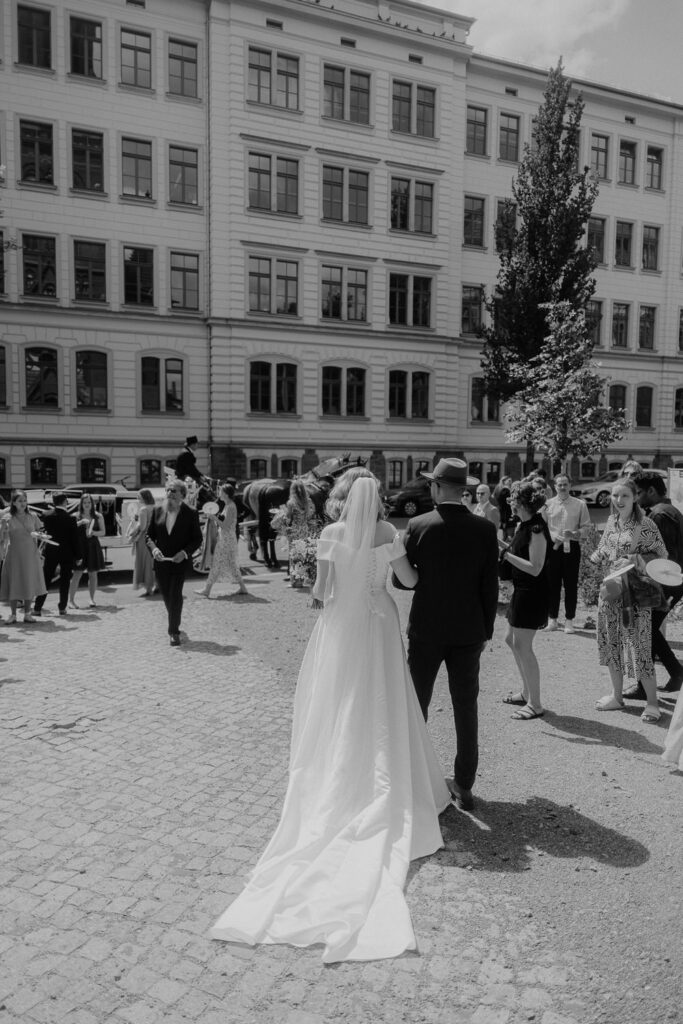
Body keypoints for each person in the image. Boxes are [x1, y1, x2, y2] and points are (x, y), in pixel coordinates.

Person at [210, 476, 450, 962]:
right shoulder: (387, 531)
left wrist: (328, 588)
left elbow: (321, 590)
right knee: (384, 694)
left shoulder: (330, 534)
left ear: (345, 498)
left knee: (341, 695)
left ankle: (341, 763)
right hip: (379, 618)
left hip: (341, 622)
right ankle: (387, 769)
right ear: (376, 500)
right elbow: (409, 582)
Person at [398, 458, 499, 810]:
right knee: (465, 707)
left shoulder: (419, 525)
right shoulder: (485, 529)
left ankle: (414, 776)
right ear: (464, 489)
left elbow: (401, 580)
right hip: (469, 630)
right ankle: (464, 784)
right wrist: (486, 630)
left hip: (426, 627)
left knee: (417, 704)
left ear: (438, 488)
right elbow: (490, 587)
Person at [589, 477, 666, 723]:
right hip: (611, 592)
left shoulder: (646, 524)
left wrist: (634, 559)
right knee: (611, 644)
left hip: (635, 597)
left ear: (634, 498)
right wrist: (596, 555)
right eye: (615, 495)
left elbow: (662, 556)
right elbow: (605, 547)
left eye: (625, 495)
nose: (619, 500)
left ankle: (652, 703)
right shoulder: (612, 521)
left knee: (640, 647)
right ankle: (617, 696)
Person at [626, 471, 683, 697]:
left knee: (645, 630)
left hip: (665, 582)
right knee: (648, 630)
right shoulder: (666, 511)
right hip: (669, 582)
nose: (636, 498)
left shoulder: (660, 515)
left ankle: (645, 686)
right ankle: (676, 674)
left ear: (651, 490)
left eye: (639, 492)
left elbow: (664, 558)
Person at [499, 481, 551, 720]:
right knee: (510, 640)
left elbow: (535, 568)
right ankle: (526, 692)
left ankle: (536, 703)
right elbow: (516, 552)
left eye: (513, 499)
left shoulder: (537, 528)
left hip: (532, 592)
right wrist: (499, 545)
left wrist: (505, 555)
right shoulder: (524, 525)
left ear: (522, 503)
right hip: (521, 591)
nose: (510, 502)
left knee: (523, 646)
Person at [146, 480, 202, 646]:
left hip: (180, 563)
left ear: (182, 495)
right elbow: (149, 536)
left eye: (174, 491)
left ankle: (173, 631)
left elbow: (197, 539)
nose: (170, 493)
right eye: (168, 490)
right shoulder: (157, 510)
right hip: (161, 562)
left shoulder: (191, 513)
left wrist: (184, 553)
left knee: (175, 595)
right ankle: (174, 618)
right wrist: (154, 550)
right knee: (166, 595)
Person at [544, 474, 591, 634]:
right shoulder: (547, 504)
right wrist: (550, 538)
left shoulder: (580, 504)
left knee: (570, 585)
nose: (562, 487)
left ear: (570, 485)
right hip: (553, 548)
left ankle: (569, 620)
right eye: (559, 485)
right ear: (555, 486)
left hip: (572, 548)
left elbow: (586, 527)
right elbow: (543, 527)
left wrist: (576, 533)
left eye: (565, 484)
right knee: (552, 584)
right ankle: (552, 619)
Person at [0, 490, 47, 623]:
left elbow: (41, 533)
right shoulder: (7, 517)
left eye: (25, 500)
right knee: (14, 582)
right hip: (14, 554)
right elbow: (0, 538)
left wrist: (41, 540)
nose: (23, 503)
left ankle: (27, 613)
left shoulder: (33, 516)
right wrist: (2, 525)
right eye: (20, 501)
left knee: (28, 582)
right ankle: (13, 614)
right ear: (13, 503)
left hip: (30, 554)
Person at [195, 484, 248, 598]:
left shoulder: (230, 507)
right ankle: (243, 588)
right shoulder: (228, 505)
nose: (219, 493)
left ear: (226, 494)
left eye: (221, 491)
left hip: (226, 539)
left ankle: (207, 589)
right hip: (226, 538)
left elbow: (225, 526)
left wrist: (214, 518)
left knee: (217, 563)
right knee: (232, 564)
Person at [34, 493, 82, 617]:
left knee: (46, 579)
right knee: (65, 581)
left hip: (51, 550)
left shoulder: (46, 515)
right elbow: (75, 539)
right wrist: (78, 556)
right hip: (67, 552)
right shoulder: (71, 518)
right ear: (65, 502)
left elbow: (44, 532)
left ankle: (38, 607)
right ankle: (62, 607)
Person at [270, 478, 320, 587]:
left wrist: (280, 514)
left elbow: (288, 518)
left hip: (295, 531)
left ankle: (296, 582)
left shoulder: (291, 503)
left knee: (295, 557)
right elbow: (311, 515)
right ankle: (304, 579)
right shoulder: (309, 502)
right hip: (305, 530)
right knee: (303, 555)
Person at [68, 493, 106, 608]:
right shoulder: (75, 516)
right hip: (80, 547)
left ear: (92, 503)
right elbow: (70, 530)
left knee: (93, 574)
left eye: (89, 502)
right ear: (81, 504)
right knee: (77, 574)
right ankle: (71, 601)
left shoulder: (98, 516)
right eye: (84, 502)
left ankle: (92, 599)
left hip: (93, 546)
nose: (87, 504)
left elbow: (103, 532)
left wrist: (93, 533)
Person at [129, 489, 157, 597]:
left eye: (139, 496)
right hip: (155, 538)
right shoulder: (156, 507)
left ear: (144, 497)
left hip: (144, 538)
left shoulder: (143, 509)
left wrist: (133, 530)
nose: (137, 498)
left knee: (144, 563)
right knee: (153, 562)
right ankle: (157, 585)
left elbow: (142, 526)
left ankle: (148, 589)